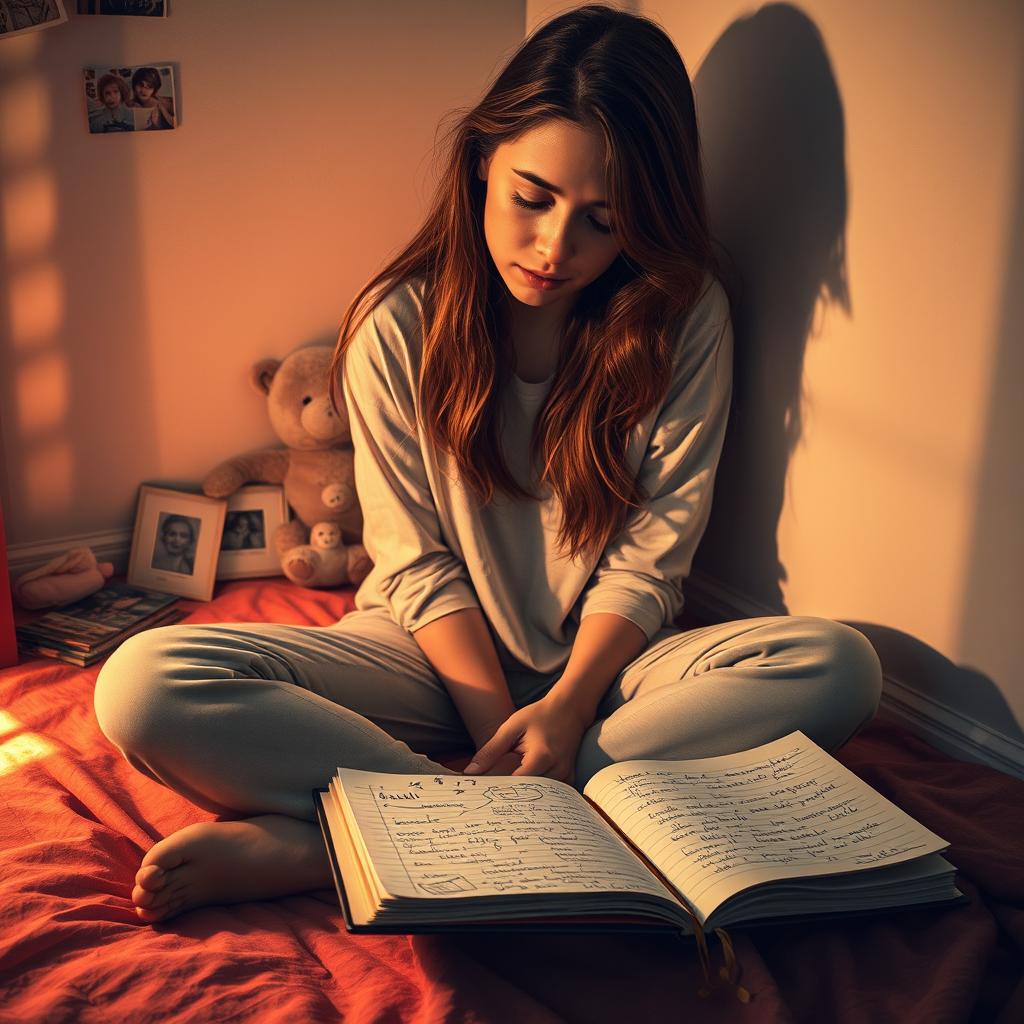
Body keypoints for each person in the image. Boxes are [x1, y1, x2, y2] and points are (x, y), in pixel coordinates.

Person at [93, 4, 882, 926]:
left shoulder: (685, 313)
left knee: (841, 668)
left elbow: (652, 553)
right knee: (141, 685)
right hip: (423, 663)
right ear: (481, 162)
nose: (556, 248)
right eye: (533, 196)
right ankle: (490, 813)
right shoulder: (395, 322)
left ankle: (359, 836)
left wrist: (567, 708)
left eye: (602, 219)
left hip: (608, 676)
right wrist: (498, 737)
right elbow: (418, 566)